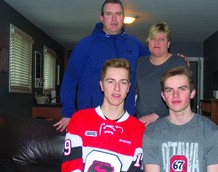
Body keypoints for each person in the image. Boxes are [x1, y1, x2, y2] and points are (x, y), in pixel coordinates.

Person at [56, 58, 146, 172]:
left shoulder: (139, 128)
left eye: (123, 82)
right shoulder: (79, 119)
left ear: (129, 88)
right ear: (101, 85)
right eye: (111, 81)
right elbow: (71, 168)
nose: (117, 88)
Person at [54, 0, 149, 132]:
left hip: (126, 118)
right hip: (91, 118)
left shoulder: (134, 44)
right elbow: (70, 78)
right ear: (102, 18)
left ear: (123, 17)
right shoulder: (85, 45)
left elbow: (155, 62)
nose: (114, 19)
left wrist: (174, 59)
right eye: (109, 14)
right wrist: (68, 113)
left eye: (118, 14)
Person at [136, 22, 186, 127]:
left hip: (167, 122)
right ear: (148, 43)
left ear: (168, 44)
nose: (156, 42)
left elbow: (182, 96)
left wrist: (157, 115)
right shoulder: (139, 63)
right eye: (153, 39)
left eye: (162, 39)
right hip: (141, 123)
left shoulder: (177, 62)